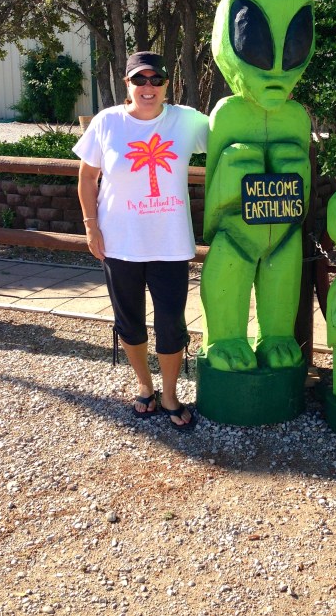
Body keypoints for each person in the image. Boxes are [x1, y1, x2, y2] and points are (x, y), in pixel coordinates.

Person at [73, 51, 209, 431]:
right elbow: (87, 178)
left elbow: (232, 130)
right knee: (128, 322)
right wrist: (90, 224)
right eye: (139, 80)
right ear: (127, 84)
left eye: (156, 80)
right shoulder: (107, 122)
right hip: (119, 244)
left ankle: (169, 394)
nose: (148, 87)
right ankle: (144, 387)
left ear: (167, 84)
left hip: (170, 245)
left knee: (171, 324)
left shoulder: (186, 121)